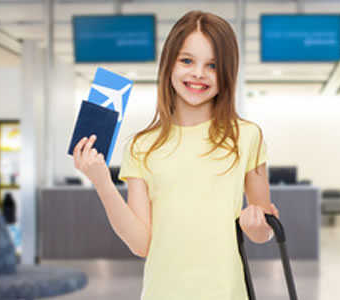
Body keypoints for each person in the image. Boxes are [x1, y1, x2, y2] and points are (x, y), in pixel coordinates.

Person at [72, 10, 279, 300]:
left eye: (213, 65)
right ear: (169, 64)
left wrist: (256, 225)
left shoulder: (246, 136)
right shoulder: (142, 146)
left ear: (228, 73)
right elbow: (142, 244)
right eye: (187, 61)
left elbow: (264, 229)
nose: (197, 73)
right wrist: (102, 182)